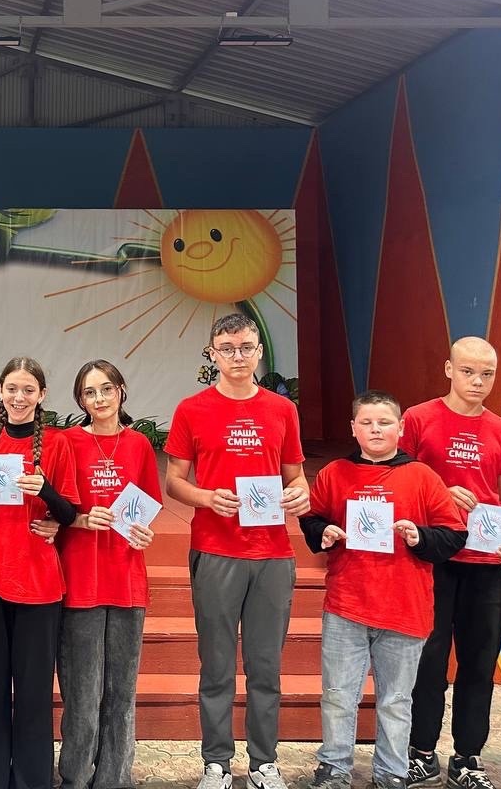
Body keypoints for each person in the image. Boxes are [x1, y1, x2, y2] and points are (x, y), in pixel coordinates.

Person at [164, 312, 310, 789]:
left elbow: (295, 475)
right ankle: (217, 763)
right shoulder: (192, 409)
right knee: (217, 665)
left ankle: (265, 762)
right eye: (227, 349)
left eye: (246, 347)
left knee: (266, 667)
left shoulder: (281, 410)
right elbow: (174, 481)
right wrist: (207, 497)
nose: (238, 356)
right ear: (213, 354)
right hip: (216, 549)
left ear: (259, 351)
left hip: (272, 553)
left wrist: (300, 494)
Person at [299, 391, 466, 789]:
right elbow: (313, 519)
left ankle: (391, 771)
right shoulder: (334, 473)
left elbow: (453, 535)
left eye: (385, 422)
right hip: (346, 604)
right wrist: (324, 532)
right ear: (353, 428)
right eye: (367, 422)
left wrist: (419, 537)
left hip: (405, 607)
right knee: (338, 695)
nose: (376, 429)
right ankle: (334, 767)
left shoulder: (423, 476)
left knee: (396, 700)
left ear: (401, 428)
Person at [405, 337, 501, 789]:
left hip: (488, 560)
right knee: (429, 662)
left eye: (486, 374)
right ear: (448, 369)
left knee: (479, 663)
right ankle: (421, 752)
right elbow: (398, 481)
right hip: (434, 556)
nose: (477, 381)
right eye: (467, 371)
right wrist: (438, 491)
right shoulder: (417, 418)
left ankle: (467, 757)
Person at [0, 356, 80, 789]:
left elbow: (69, 512)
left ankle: (32, 779)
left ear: (42, 394)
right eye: (12, 389)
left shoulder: (58, 443)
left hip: (37, 581)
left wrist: (45, 490)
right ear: (0, 392)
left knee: (32, 692)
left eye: (28, 390)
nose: (19, 397)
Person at [57, 360, 160, 789]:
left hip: (126, 579)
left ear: (121, 391)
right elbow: (56, 509)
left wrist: (145, 533)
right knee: (82, 694)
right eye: (89, 392)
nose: (98, 399)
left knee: (121, 693)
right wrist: (81, 519)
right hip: (79, 579)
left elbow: (148, 507)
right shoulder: (67, 442)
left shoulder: (139, 445)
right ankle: (75, 778)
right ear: (80, 400)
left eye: (105, 389)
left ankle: (115, 779)